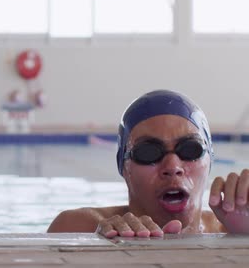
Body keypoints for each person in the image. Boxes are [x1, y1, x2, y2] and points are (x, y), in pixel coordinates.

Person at [47, 90, 249, 237]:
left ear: (209, 160)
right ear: (123, 167)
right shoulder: (79, 229)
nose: (172, 167)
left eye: (190, 149)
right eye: (148, 152)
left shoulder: (233, 230)